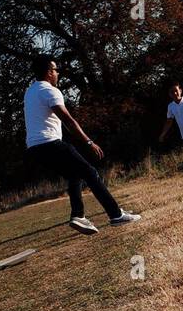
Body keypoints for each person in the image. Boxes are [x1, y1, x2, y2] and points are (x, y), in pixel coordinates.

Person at [25, 57, 140, 234]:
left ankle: (78, 216)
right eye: (56, 70)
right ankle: (115, 215)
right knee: (90, 172)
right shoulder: (50, 91)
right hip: (50, 143)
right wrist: (88, 141)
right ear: (49, 72)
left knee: (74, 175)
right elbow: (68, 120)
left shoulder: (31, 91)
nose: (57, 74)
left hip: (34, 149)